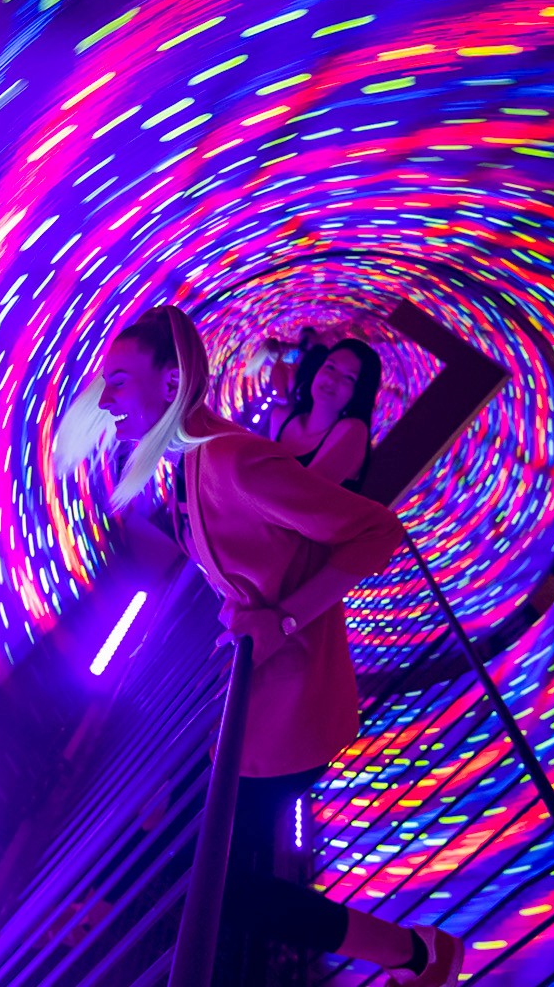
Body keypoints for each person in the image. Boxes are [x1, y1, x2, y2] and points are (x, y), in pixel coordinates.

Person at [57, 305, 462, 986]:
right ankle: (418, 954)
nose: (107, 400)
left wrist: (284, 620)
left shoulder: (233, 460)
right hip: (263, 701)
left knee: (228, 882)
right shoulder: (196, 458)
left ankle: (422, 956)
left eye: (119, 381)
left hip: (294, 704)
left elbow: (377, 532)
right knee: (213, 861)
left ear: (171, 381)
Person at [270, 338, 382, 492]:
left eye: (348, 377)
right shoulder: (281, 418)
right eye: (330, 367)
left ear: (359, 392)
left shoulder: (354, 430)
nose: (331, 379)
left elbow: (303, 494)